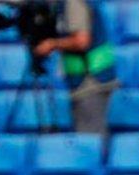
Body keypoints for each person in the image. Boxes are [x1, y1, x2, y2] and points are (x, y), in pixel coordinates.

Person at [33, 0, 117, 139]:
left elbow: (81, 41)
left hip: (90, 80)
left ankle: (95, 160)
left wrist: (52, 44)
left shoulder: (73, 3)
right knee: (91, 133)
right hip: (87, 78)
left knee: (89, 138)